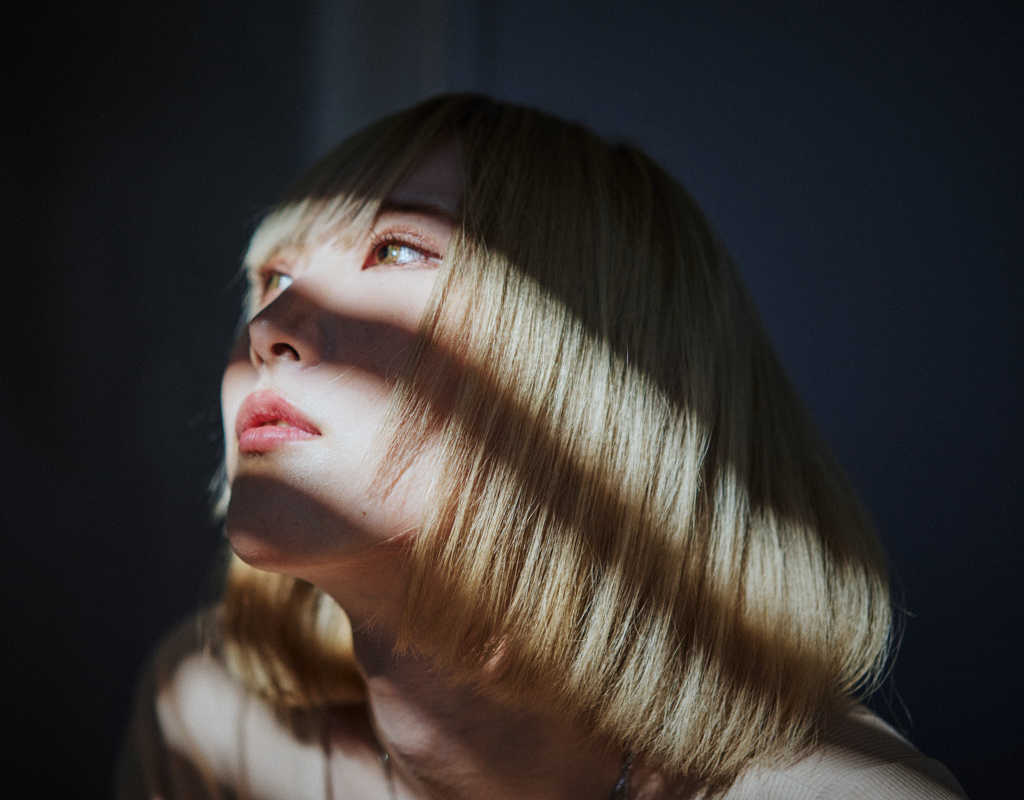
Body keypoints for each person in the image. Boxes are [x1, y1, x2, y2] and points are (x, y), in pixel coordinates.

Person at [116, 94, 967, 799]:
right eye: (272, 278)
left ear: (599, 369)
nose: (269, 327)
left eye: (398, 248)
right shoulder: (211, 723)